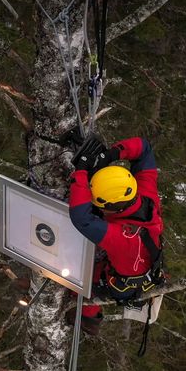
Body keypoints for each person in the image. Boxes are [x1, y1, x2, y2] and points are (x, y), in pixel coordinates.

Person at [68, 135, 164, 335]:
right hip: (138, 259)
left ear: (109, 206)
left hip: (121, 281)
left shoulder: (123, 238)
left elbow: (82, 219)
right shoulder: (145, 194)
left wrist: (81, 175)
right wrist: (110, 154)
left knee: (81, 276)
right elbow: (144, 148)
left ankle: (88, 317)